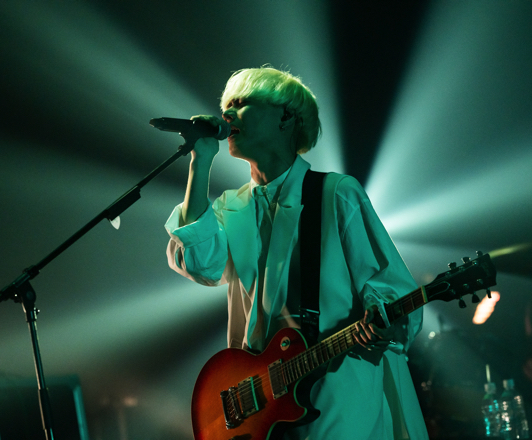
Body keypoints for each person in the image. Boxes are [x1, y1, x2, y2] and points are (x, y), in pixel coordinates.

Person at [165, 67, 427, 439]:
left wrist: (380, 310)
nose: (227, 114)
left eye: (241, 103)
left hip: (337, 396)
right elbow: (199, 264)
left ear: (286, 117)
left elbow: (390, 285)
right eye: (225, 106)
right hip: (262, 407)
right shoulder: (230, 208)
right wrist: (200, 161)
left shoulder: (335, 193)